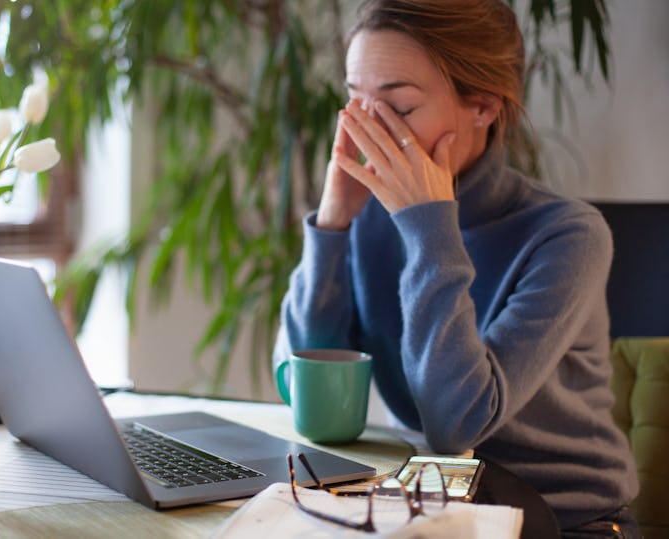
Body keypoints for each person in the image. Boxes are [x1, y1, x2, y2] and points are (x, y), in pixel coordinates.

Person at [272, 0, 640, 536]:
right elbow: (304, 389)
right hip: (439, 507)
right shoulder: (374, 216)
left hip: (569, 521)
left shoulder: (569, 236)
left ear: (484, 107)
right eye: (354, 101)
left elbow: (456, 423)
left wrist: (429, 229)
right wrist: (333, 225)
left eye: (398, 107)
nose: (366, 129)